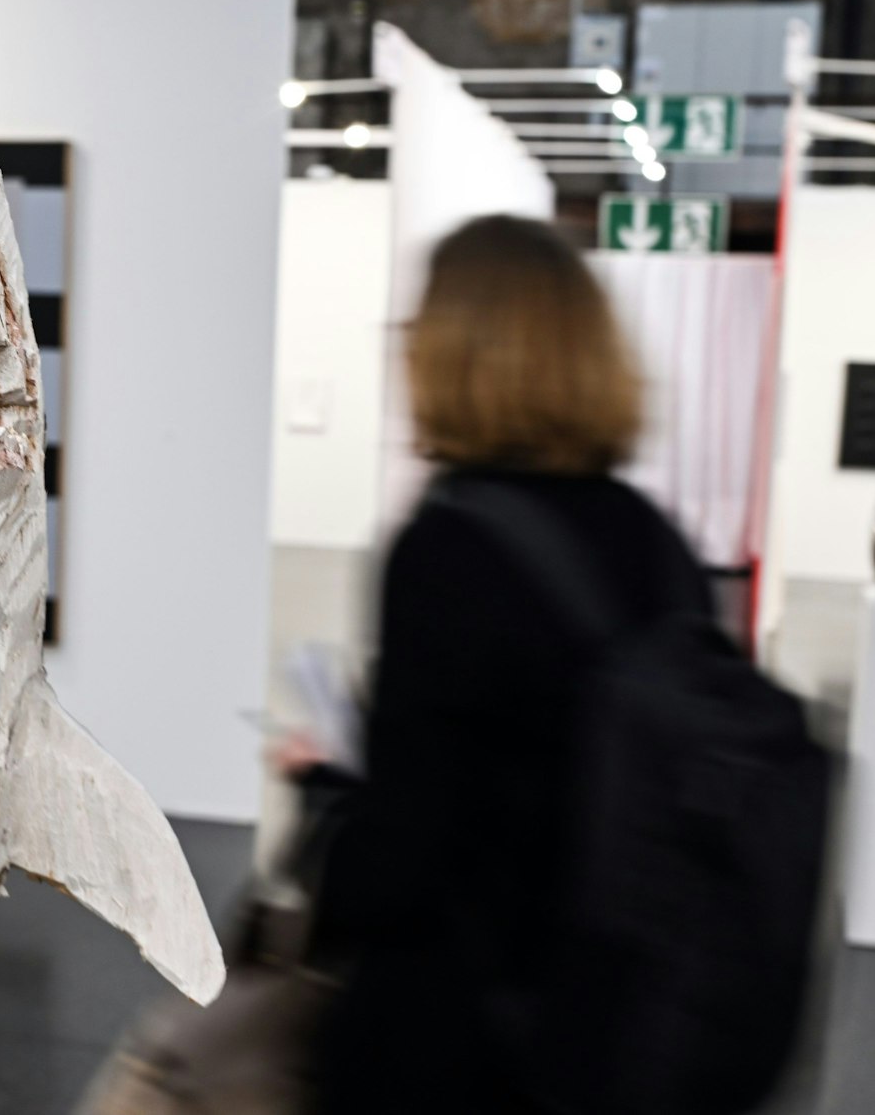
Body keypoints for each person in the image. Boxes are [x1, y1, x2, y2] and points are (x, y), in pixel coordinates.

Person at [280, 214, 718, 1114]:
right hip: (621, 1030)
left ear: (453, 351)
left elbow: (399, 859)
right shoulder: (659, 545)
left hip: (467, 1037)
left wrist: (328, 802)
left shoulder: (452, 546)